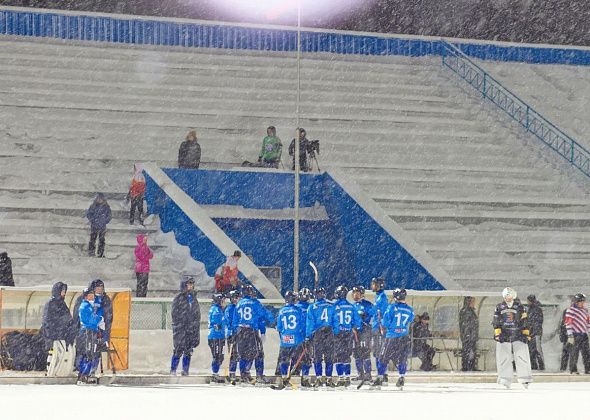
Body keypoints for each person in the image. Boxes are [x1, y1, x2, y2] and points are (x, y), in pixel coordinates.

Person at [371, 288, 414, 389]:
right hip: (404, 336)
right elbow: (411, 319)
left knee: (383, 358)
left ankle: (380, 378)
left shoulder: (391, 307)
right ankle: (401, 377)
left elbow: (385, 322)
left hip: (391, 337)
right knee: (402, 359)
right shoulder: (410, 309)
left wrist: (382, 320)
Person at [493, 287, 532, 389]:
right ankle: (505, 378)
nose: (507, 298)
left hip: (518, 334)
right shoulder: (499, 307)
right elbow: (496, 321)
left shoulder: (520, 307)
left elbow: (525, 321)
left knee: (522, 356)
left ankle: (525, 378)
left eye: (509, 295)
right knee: (504, 357)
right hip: (504, 335)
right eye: (506, 296)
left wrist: (525, 333)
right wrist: (498, 333)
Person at [72, 279, 113, 375]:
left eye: (101, 288)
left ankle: (91, 371)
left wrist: (104, 330)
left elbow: (108, 317)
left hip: (99, 330)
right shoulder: (84, 301)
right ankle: (82, 371)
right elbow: (78, 317)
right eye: (97, 288)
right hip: (86, 331)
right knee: (85, 351)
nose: (99, 290)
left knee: (95, 351)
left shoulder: (105, 300)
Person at [231, 284, 267, 384]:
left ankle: (244, 374)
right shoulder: (255, 303)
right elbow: (262, 317)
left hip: (241, 331)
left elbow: (235, 320)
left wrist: (235, 333)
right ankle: (259, 375)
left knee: (243, 354)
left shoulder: (239, 304)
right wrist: (263, 331)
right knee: (258, 353)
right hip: (252, 331)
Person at [40, 282, 77, 371]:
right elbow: (47, 320)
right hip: (54, 335)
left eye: (64, 291)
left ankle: (60, 371)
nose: (64, 293)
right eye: (62, 291)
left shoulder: (62, 304)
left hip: (62, 334)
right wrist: (50, 335)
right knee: (53, 354)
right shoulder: (50, 304)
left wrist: (70, 328)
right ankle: (49, 371)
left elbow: (67, 318)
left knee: (61, 354)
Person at [275, 291, 306, 389]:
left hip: (285, 339)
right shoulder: (299, 310)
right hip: (297, 339)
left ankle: (283, 377)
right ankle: (294, 379)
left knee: (284, 360)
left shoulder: (282, 311)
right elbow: (302, 325)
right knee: (297, 360)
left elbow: (279, 327)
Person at [332, 285, 361, 387]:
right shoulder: (351, 306)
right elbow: (357, 322)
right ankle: (347, 377)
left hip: (338, 334)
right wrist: (354, 326)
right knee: (346, 357)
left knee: (338, 357)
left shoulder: (334, 306)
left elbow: (331, 320)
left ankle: (341, 378)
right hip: (348, 334)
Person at [171, 276, 201, 376]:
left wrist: (194, 325)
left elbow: (197, 314)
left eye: (192, 284)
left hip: (190, 329)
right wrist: (182, 323)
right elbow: (174, 314)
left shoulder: (193, 298)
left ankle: (185, 370)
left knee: (188, 350)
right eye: (188, 284)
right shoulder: (178, 298)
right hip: (181, 329)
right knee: (178, 350)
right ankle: (173, 370)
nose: (190, 286)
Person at [306, 287, 335, 388]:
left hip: (318, 334)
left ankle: (319, 378)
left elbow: (310, 323)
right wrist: (335, 332)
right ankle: (328, 378)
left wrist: (308, 335)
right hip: (329, 332)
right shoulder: (331, 305)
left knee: (317, 357)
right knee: (329, 357)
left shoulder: (312, 307)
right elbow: (335, 320)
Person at [76, 287, 105, 385]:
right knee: (89, 354)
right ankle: (83, 376)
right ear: (86, 296)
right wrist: (100, 319)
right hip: (88, 332)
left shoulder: (88, 306)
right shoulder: (85, 306)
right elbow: (91, 320)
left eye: (93, 295)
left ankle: (84, 376)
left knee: (89, 353)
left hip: (90, 331)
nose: (92, 297)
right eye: (90, 295)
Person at [352, 285, 374, 381]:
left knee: (365, 353)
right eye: (354, 293)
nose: (355, 295)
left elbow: (373, 317)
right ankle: (360, 374)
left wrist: (366, 320)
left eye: (357, 293)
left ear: (362, 294)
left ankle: (368, 374)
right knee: (357, 354)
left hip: (365, 332)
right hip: (355, 332)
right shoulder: (353, 306)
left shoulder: (368, 305)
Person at [564, 293, 590, 374]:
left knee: (587, 353)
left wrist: (589, 331)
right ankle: (573, 370)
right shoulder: (570, 310)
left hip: (584, 334)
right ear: (576, 302)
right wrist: (570, 335)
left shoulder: (585, 310)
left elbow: (588, 322)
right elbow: (568, 323)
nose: (583, 303)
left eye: (583, 301)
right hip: (575, 335)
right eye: (581, 301)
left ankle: (588, 369)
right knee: (574, 353)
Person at [370, 277, 389, 383]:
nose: (372, 286)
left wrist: (382, 327)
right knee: (377, 353)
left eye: (374, 284)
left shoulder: (382, 298)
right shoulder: (378, 297)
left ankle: (381, 376)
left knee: (379, 353)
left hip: (379, 329)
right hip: (376, 328)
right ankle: (382, 374)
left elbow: (383, 314)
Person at [295, 288, 313, 386]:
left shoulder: (295, 307)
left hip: (296, 336)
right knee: (307, 358)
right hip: (308, 336)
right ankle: (304, 377)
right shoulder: (311, 307)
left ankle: (294, 375)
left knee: (295, 357)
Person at [86, 193, 112, 258]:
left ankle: (100, 253)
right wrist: (93, 220)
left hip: (102, 226)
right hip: (94, 226)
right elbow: (89, 214)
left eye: (101, 199)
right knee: (92, 239)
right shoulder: (93, 206)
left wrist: (105, 221)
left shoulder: (106, 207)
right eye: (98, 199)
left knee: (102, 240)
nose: (99, 200)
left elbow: (109, 216)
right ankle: (91, 252)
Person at [208, 293, 226, 383]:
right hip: (215, 336)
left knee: (219, 356)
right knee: (217, 356)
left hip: (219, 336)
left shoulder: (219, 309)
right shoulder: (216, 310)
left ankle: (216, 372)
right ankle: (214, 374)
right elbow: (216, 324)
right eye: (223, 301)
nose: (225, 302)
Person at [224, 290, 241, 381]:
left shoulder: (238, 307)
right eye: (235, 297)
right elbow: (228, 321)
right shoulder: (230, 308)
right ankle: (232, 373)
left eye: (238, 297)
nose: (237, 299)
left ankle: (234, 372)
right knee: (233, 353)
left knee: (237, 353)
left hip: (238, 333)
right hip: (232, 334)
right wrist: (232, 330)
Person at [459, 296, 479, 371]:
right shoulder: (466, 312)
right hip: (468, 337)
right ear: (469, 302)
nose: (474, 303)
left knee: (471, 352)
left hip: (470, 336)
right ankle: (467, 367)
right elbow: (466, 325)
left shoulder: (469, 311)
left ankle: (470, 366)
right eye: (473, 301)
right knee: (468, 352)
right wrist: (469, 335)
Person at [526, 294, 545, 371]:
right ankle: (534, 365)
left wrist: (533, 332)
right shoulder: (531, 309)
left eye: (528, 301)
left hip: (535, 333)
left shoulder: (536, 309)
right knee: (532, 349)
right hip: (532, 332)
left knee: (537, 349)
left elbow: (537, 322)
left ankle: (540, 365)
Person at [559, 305, 571, 371]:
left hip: (569, 337)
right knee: (566, 353)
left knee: (566, 353)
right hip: (568, 338)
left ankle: (563, 368)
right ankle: (564, 368)